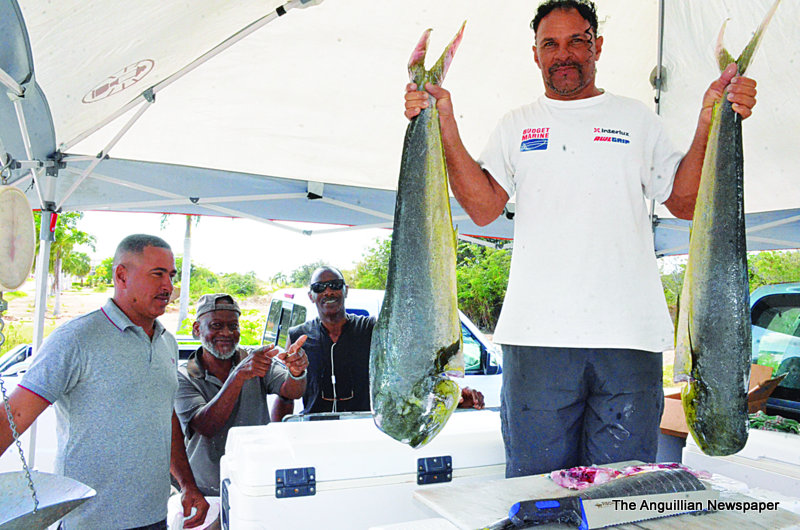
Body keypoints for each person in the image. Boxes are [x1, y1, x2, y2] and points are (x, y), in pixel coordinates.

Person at [403, 0, 758, 478]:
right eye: (551, 43)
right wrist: (441, 117)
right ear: (535, 54)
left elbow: (684, 201)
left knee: (615, 501)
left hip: (629, 342)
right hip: (536, 341)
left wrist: (709, 120)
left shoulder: (638, 120)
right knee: (538, 496)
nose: (563, 53)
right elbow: (484, 208)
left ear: (598, 47)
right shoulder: (516, 124)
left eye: (577, 41)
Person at [0, 234, 208, 529]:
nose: (168, 287)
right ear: (122, 276)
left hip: (153, 518)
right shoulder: (76, 339)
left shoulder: (167, 343)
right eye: (157, 274)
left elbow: (164, 415)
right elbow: (15, 413)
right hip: (88, 521)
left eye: (171, 276)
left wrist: (187, 484)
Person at [288, 266, 485, 414]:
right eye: (319, 287)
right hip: (315, 431)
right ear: (311, 296)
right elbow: (285, 394)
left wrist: (456, 397)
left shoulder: (373, 329)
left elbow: (411, 371)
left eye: (335, 285)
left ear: (346, 290)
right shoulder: (297, 336)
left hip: (366, 427)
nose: (328, 291)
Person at [174, 293, 308, 497]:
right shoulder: (184, 376)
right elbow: (206, 426)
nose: (226, 333)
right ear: (197, 329)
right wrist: (238, 376)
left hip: (255, 483)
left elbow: (291, 391)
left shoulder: (254, 359)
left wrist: (296, 371)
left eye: (233, 326)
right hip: (208, 492)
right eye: (216, 326)